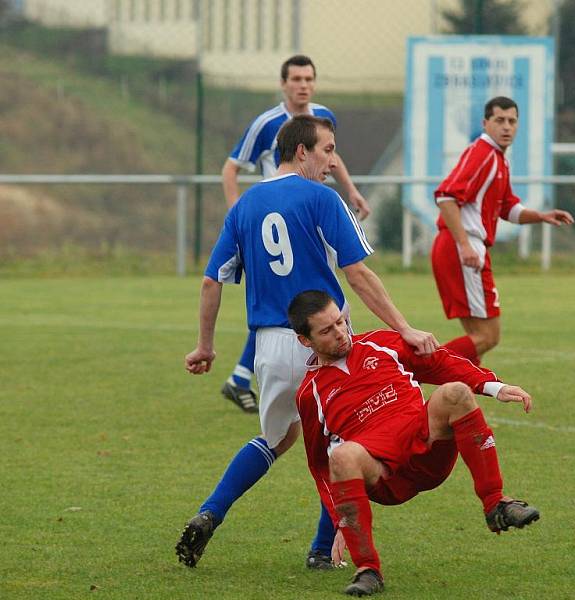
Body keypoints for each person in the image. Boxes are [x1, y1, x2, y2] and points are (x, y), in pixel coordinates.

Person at [175, 115, 437, 571]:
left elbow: (211, 282)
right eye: (327, 150)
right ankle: (321, 549)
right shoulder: (322, 199)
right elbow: (357, 274)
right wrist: (405, 327)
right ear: (301, 151)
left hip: (272, 346)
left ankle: (212, 510)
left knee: (276, 439)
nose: (332, 162)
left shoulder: (244, 208)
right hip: (328, 341)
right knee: (350, 442)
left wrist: (205, 346)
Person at [289, 289, 540, 596]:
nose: (341, 333)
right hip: (385, 475)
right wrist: (339, 520)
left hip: (427, 448)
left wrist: (492, 385)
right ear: (306, 340)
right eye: (327, 331)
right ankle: (368, 570)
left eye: (341, 322)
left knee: (456, 392)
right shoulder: (309, 394)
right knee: (342, 456)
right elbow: (319, 466)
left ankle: (495, 504)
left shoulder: (380, 343)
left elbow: (438, 362)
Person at [219, 54, 371, 413]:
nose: (303, 85)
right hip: (278, 217)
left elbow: (333, 156)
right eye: (296, 79)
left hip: (311, 218)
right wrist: (238, 216)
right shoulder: (266, 123)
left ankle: (243, 376)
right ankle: (342, 375)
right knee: (296, 301)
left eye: (309, 78)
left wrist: (351, 191)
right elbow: (231, 168)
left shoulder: (322, 118)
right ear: (284, 84)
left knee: (303, 301)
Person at [432, 96, 575, 365]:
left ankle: (463, 404)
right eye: (500, 120)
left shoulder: (498, 159)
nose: (506, 127)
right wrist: (464, 245)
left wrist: (541, 216)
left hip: (462, 247)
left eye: (512, 121)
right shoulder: (482, 153)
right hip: (464, 247)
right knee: (488, 336)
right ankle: (416, 368)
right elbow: (445, 197)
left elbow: (508, 209)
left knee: (478, 338)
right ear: (485, 123)